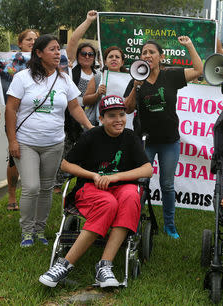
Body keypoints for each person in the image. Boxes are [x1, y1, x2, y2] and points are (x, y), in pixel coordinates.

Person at [39, 95, 153, 288]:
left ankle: (104, 265)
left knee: (131, 196)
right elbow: (66, 165)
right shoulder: (91, 136)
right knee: (108, 203)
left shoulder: (130, 137)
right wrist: (92, 175)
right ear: (101, 118)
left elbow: (147, 169)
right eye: (112, 116)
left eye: (122, 114)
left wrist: (116, 177)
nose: (118, 120)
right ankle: (64, 264)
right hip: (91, 187)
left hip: (120, 187)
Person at [5, 34, 94, 247]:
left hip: (54, 144)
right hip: (26, 142)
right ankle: (27, 232)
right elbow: (11, 109)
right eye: (52, 49)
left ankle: (40, 230)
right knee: (31, 187)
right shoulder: (22, 78)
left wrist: (90, 127)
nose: (57, 53)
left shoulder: (63, 79)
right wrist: (12, 141)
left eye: (58, 49)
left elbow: (74, 107)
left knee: (46, 188)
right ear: (38, 53)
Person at [124, 36, 203, 239]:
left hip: (169, 141)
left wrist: (189, 45)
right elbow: (127, 108)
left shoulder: (171, 76)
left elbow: (199, 70)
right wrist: (135, 86)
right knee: (140, 183)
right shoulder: (136, 77)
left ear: (161, 56)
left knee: (167, 184)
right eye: (144, 53)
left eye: (152, 52)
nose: (148, 55)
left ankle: (170, 225)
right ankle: (133, 222)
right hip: (144, 141)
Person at [54, 10, 101, 194]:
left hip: (91, 118)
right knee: (64, 151)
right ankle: (58, 185)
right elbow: (73, 41)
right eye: (84, 53)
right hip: (70, 117)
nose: (87, 56)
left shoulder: (99, 73)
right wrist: (88, 20)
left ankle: (83, 183)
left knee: (86, 153)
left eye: (91, 54)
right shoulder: (72, 68)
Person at [5, 29, 39, 211]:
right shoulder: (9, 62)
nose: (32, 42)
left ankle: (32, 194)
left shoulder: (45, 62)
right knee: (13, 158)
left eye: (35, 39)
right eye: (28, 39)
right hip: (16, 116)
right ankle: (11, 196)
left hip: (38, 117)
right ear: (20, 43)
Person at [83, 46, 133, 128]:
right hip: (103, 125)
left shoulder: (131, 79)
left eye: (117, 57)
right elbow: (85, 101)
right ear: (105, 61)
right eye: (110, 57)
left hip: (126, 125)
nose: (114, 59)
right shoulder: (98, 78)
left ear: (122, 62)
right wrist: (97, 94)